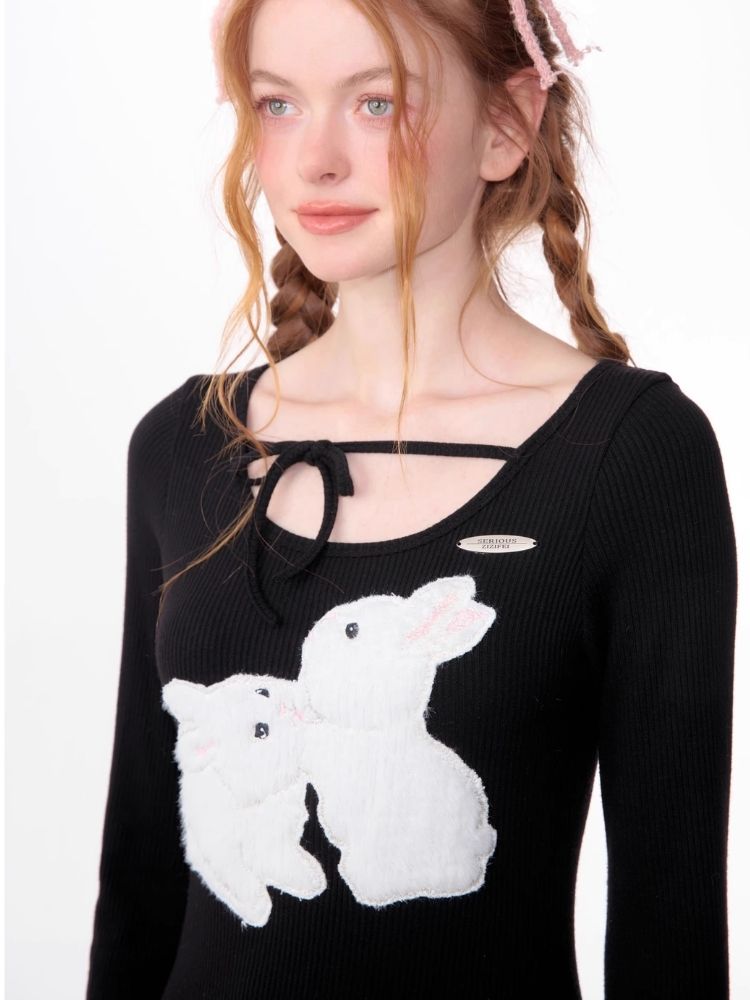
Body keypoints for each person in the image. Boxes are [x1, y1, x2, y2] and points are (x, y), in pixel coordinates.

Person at [84, 0, 737, 997]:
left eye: (377, 102)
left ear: (506, 124)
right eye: (278, 104)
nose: (315, 160)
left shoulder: (634, 456)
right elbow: (140, 883)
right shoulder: (186, 444)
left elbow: (669, 923)